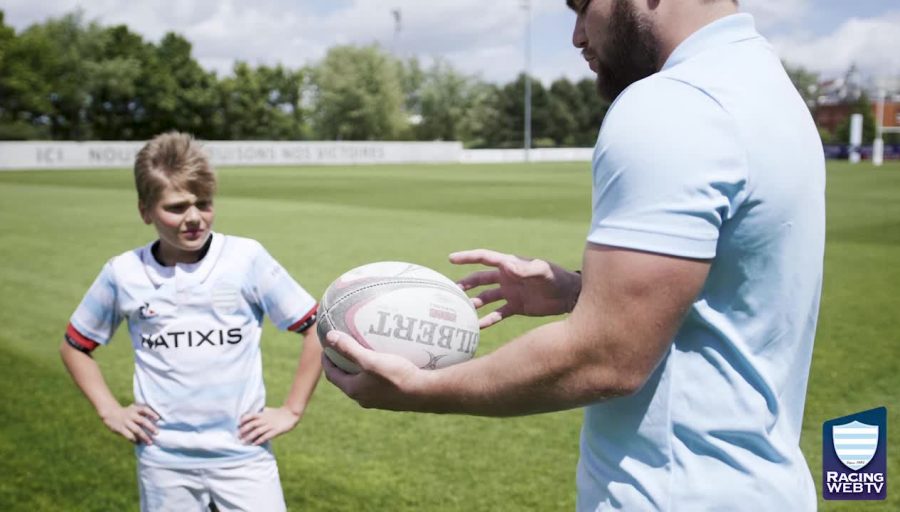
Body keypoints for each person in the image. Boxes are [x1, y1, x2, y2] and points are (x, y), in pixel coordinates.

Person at [322, 0, 825, 510]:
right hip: (761, 484)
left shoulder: (676, 103)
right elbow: (736, 289)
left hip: (676, 494)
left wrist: (421, 389)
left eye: (584, 7)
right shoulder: (765, 88)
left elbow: (607, 357)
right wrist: (578, 291)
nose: (577, 36)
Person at [60, 132, 323, 512]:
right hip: (163, 461)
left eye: (204, 203)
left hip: (243, 457)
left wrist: (291, 410)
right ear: (145, 210)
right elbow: (75, 346)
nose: (195, 218)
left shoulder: (245, 258)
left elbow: (316, 327)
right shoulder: (124, 273)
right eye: (177, 207)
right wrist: (110, 410)